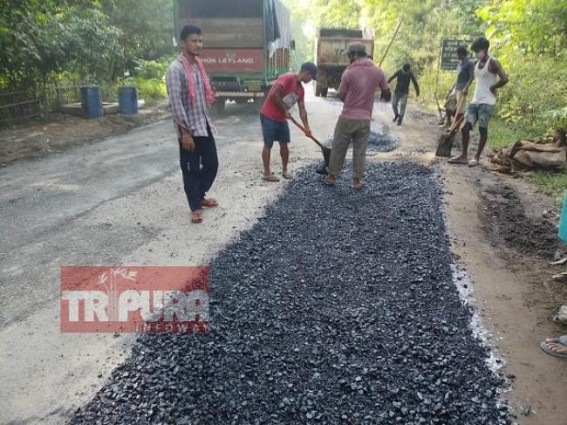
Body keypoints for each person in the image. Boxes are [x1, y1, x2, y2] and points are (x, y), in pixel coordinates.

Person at [166, 24, 219, 224]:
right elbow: (176, 103)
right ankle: (195, 206)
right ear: (183, 43)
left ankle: (199, 195)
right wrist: (185, 133)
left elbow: (200, 97)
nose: (198, 44)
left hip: (203, 125)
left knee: (212, 164)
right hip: (188, 129)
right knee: (191, 169)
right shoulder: (175, 69)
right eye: (193, 41)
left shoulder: (198, 65)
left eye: (200, 41)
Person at [324, 44, 390, 189]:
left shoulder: (348, 72)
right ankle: (356, 181)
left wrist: (349, 102)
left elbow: (341, 94)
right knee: (360, 150)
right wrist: (375, 97)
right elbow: (386, 92)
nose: (349, 59)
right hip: (365, 119)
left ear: (354, 55)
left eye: (349, 56)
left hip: (347, 117)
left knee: (338, 147)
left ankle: (331, 176)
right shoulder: (378, 71)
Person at [449, 36, 509, 166]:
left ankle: (476, 157)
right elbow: (472, 77)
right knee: (465, 127)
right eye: (475, 51)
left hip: (487, 102)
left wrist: (494, 87)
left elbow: (504, 79)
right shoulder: (477, 62)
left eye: (477, 50)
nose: (476, 53)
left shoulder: (493, 62)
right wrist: (466, 87)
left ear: (485, 49)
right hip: (475, 100)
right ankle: (464, 155)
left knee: (482, 129)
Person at [260, 62, 316, 182]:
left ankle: (285, 170)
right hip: (268, 115)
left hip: (281, 118)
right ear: (307, 73)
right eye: (311, 77)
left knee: (284, 144)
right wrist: (285, 109)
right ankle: (267, 172)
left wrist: (307, 127)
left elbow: (302, 109)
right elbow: (275, 95)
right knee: (268, 144)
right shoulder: (288, 77)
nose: (310, 80)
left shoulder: (301, 90)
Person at [445, 46, 475, 131]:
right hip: (456, 87)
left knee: (460, 109)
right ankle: (448, 122)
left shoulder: (470, 63)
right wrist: (452, 87)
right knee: (449, 104)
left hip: (462, 88)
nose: (456, 56)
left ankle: (455, 127)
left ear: (461, 54)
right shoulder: (460, 63)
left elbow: (472, 77)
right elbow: (458, 77)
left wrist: (466, 87)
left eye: (457, 54)